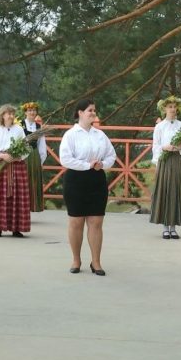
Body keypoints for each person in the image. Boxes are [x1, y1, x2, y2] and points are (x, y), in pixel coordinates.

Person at [59, 99, 117, 275]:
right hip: (75, 180)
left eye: (94, 110)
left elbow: (111, 155)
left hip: (96, 180)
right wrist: (87, 165)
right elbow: (65, 159)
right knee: (76, 221)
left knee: (96, 222)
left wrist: (102, 164)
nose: (93, 113)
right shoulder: (70, 135)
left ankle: (96, 262)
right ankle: (76, 260)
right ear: (80, 113)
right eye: (90, 110)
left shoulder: (100, 135)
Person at [149, 95, 181, 239]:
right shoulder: (160, 126)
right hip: (165, 159)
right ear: (164, 109)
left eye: (174, 107)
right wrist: (164, 147)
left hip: (177, 159)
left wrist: (180, 148)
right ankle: (165, 227)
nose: (172, 109)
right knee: (165, 190)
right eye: (170, 107)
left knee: (175, 190)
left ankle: (173, 227)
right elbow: (156, 144)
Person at [0, 104, 31, 237]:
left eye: (12, 113)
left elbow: (26, 148)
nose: (11, 116)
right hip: (1, 166)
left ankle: (16, 228)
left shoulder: (19, 130)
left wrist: (18, 156)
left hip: (17, 166)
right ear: (2, 116)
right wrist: (2, 155)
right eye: (8, 113)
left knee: (18, 196)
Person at [21, 102, 48, 212]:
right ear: (25, 112)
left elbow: (42, 145)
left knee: (34, 181)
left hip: (35, 155)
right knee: (23, 181)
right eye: (29, 110)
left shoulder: (38, 127)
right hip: (22, 155)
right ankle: (22, 208)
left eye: (34, 110)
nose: (32, 112)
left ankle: (33, 206)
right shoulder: (20, 125)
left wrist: (40, 160)